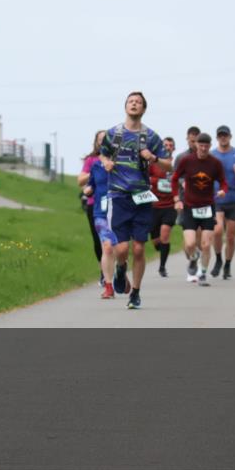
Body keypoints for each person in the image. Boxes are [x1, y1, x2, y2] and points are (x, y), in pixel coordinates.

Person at [99, 92, 171, 310]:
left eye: (138, 102)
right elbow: (102, 154)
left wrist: (154, 158)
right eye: (131, 101)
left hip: (141, 198)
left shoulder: (150, 136)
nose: (134, 104)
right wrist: (106, 162)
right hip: (119, 196)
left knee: (139, 249)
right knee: (120, 250)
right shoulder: (113, 133)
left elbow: (170, 165)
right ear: (125, 106)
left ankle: (136, 293)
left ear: (143, 109)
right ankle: (121, 269)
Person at [172, 133, 228, 286]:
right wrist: (176, 199)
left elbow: (223, 181)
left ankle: (202, 273)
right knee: (190, 244)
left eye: (206, 146)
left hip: (208, 207)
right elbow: (175, 178)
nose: (203, 148)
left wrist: (223, 190)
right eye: (200, 145)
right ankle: (193, 258)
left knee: (205, 244)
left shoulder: (215, 163)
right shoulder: (187, 161)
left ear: (210, 146)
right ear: (196, 145)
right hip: (190, 206)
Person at [210, 125, 235, 280]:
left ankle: (227, 264)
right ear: (217, 137)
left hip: (234, 198)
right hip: (217, 198)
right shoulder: (212, 155)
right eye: (220, 135)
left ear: (230, 136)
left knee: (231, 236)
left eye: (225, 135)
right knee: (218, 231)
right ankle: (218, 259)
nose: (223, 137)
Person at [85, 133, 119, 299]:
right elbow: (90, 184)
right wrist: (88, 189)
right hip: (101, 213)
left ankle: (121, 270)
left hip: (120, 212)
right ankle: (108, 286)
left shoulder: (123, 165)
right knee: (107, 247)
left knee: (120, 250)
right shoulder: (95, 166)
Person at [78, 130, 107, 286]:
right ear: (96, 142)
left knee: (115, 240)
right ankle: (104, 272)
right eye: (100, 139)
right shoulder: (91, 160)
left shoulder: (117, 158)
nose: (102, 142)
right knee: (98, 241)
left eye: (105, 139)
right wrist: (96, 172)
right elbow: (80, 180)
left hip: (115, 204)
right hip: (94, 205)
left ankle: (116, 268)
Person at [149, 136, 176, 277]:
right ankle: (162, 249)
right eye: (165, 144)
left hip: (170, 205)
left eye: (170, 145)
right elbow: (146, 178)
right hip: (154, 205)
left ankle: (162, 267)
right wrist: (157, 180)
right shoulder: (154, 163)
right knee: (155, 239)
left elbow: (181, 180)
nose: (167, 147)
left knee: (165, 233)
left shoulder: (176, 164)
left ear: (174, 148)